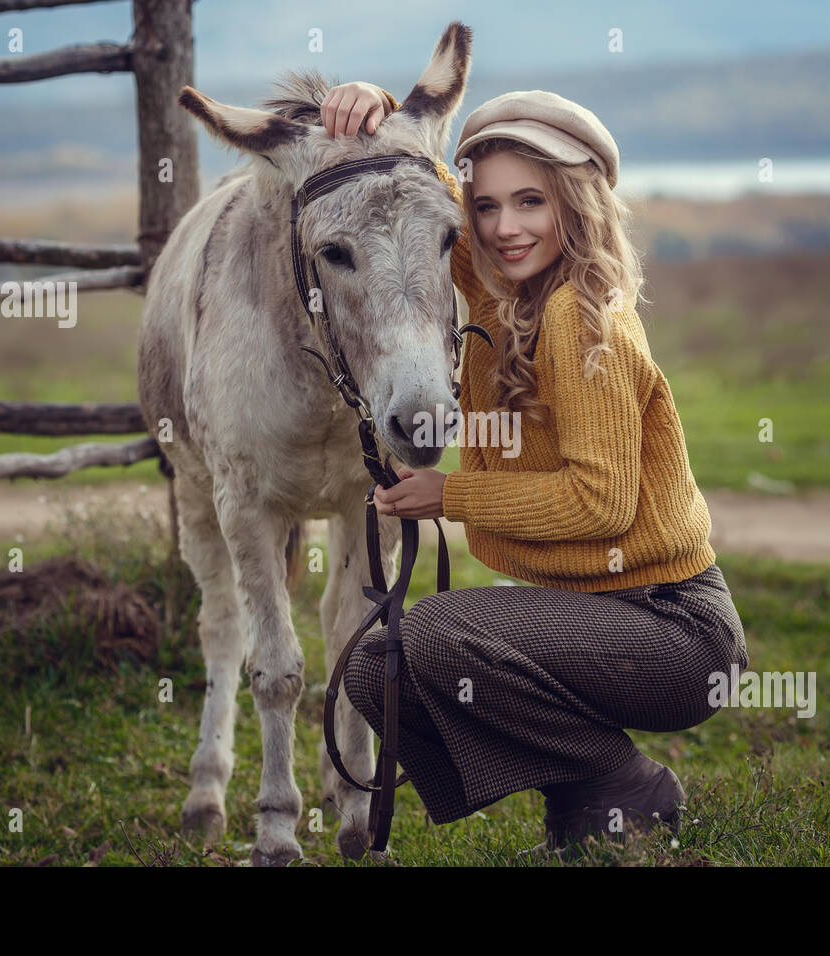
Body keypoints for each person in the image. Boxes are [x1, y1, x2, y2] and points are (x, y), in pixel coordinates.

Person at [320, 81, 749, 856]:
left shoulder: (583, 321)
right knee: (375, 666)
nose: (505, 227)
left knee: (442, 633)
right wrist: (375, 103)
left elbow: (601, 505)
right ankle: (590, 804)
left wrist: (450, 494)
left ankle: (624, 783)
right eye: (486, 208)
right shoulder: (503, 287)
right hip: (606, 617)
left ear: (575, 206)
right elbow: (421, 195)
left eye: (531, 203)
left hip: (674, 630)